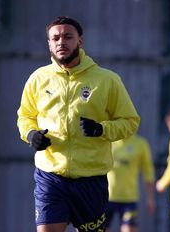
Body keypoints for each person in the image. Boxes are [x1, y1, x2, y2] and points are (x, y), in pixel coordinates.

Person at [17, 16, 140, 232]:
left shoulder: (107, 80)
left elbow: (130, 122)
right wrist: (30, 135)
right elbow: (25, 116)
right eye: (55, 38)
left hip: (91, 180)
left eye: (67, 36)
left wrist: (101, 129)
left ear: (80, 41)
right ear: (49, 43)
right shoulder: (38, 78)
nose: (61, 42)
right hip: (51, 177)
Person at [105, 134, 155, 232]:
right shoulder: (108, 141)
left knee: (129, 229)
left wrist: (150, 198)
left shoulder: (141, 144)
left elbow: (148, 171)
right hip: (107, 197)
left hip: (129, 198)